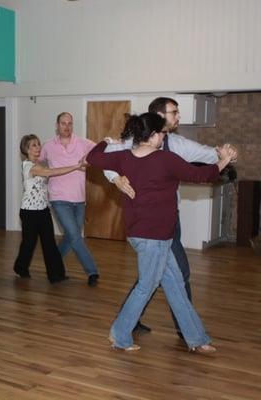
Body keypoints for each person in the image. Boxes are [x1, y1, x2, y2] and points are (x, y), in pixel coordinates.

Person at [86, 112, 236, 353]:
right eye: (163, 133)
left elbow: (93, 157)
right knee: (146, 286)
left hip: (145, 235)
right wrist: (224, 160)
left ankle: (197, 339)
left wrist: (107, 142)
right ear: (154, 135)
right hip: (153, 238)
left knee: (175, 284)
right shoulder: (165, 159)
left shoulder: (124, 157)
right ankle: (120, 335)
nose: (165, 137)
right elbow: (200, 175)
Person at [13, 134, 85, 283]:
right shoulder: (30, 167)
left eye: (38, 144)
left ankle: (56, 275)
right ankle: (20, 267)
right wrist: (76, 166)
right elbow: (52, 172)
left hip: (43, 210)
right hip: (29, 212)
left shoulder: (40, 165)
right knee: (29, 243)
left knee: (49, 242)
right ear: (26, 149)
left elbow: (52, 169)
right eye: (33, 145)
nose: (38, 147)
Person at [39, 112, 100, 286]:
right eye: (63, 123)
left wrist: (89, 163)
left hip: (79, 199)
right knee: (75, 236)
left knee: (69, 237)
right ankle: (92, 272)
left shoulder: (83, 143)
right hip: (58, 198)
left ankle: (53, 264)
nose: (67, 126)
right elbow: (36, 160)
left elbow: (100, 152)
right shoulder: (48, 146)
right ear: (57, 125)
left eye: (70, 123)